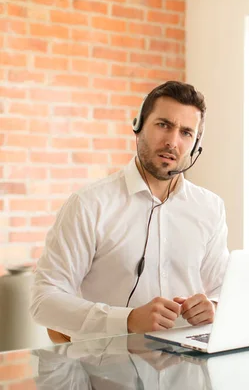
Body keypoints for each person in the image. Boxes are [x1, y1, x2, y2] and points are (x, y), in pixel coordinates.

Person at [30, 81, 230, 343]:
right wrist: (127, 320)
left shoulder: (210, 207)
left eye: (186, 133)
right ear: (138, 128)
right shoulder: (89, 205)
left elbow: (223, 288)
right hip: (107, 375)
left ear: (195, 145)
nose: (172, 141)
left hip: (187, 373)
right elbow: (44, 300)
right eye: (163, 125)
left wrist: (213, 306)